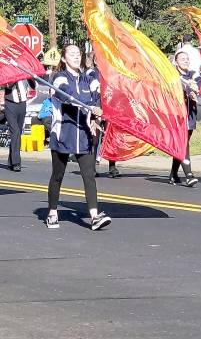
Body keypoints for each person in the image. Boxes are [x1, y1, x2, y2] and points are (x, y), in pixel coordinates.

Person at [46, 44, 111, 230]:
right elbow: (66, 96)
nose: (76, 56)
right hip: (63, 134)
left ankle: (94, 216)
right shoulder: (58, 78)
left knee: (89, 175)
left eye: (78, 53)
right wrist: (88, 106)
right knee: (58, 176)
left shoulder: (88, 79)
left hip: (85, 134)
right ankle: (52, 212)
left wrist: (96, 114)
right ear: (64, 59)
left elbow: (98, 96)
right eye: (71, 54)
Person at [169, 50, 201, 187]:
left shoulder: (192, 74)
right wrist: (188, 88)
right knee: (183, 144)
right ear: (176, 62)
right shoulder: (172, 76)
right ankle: (189, 175)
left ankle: (173, 174)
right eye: (182, 59)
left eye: (187, 59)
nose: (186, 61)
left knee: (182, 144)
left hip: (191, 115)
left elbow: (198, 82)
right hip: (178, 116)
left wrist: (195, 88)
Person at [86, 52, 120, 178]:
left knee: (111, 137)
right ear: (95, 61)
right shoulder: (91, 73)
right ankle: (91, 167)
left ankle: (112, 167)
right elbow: (91, 91)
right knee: (95, 138)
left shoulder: (112, 74)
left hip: (110, 108)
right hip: (97, 109)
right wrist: (95, 109)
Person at [4, 78, 35, 171]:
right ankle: (16, 162)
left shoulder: (24, 72)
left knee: (17, 134)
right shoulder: (9, 72)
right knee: (15, 132)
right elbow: (6, 86)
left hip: (22, 104)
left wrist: (30, 77)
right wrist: (15, 78)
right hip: (10, 104)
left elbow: (33, 86)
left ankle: (11, 161)